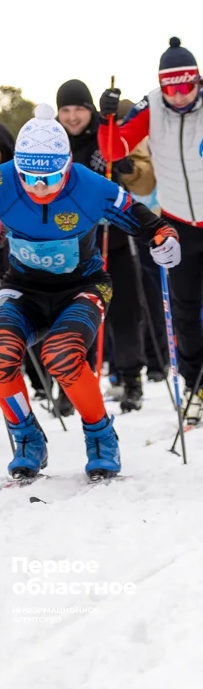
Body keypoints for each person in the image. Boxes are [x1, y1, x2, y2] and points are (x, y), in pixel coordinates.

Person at [0, 105, 179, 480]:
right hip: (23, 289)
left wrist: (165, 240)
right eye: (30, 177)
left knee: (61, 353)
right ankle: (27, 437)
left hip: (82, 287)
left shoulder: (91, 186)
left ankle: (100, 435)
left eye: (50, 177)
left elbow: (148, 224)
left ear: (66, 165)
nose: (39, 187)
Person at [97, 37, 203, 418]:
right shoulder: (152, 105)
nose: (178, 96)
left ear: (198, 81)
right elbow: (113, 150)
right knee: (185, 310)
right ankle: (195, 387)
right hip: (177, 221)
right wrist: (107, 118)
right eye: (170, 88)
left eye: (186, 87)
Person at [56, 79, 147, 412]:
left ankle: (131, 378)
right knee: (73, 314)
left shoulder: (103, 131)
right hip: (72, 245)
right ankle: (70, 385)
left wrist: (123, 168)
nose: (72, 116)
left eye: (79, 108)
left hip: (114, 239)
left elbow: (129, 159)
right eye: (65, 110)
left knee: (125, 311)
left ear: (90, 109)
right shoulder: (54, 139)